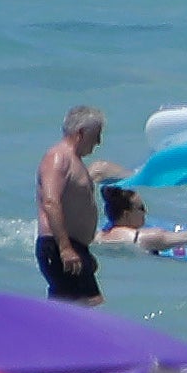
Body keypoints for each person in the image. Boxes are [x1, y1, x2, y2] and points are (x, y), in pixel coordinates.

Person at [30, 104, 119, 303]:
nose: (98, 142)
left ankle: (46, 334)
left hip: (72, 245)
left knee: (68, 306)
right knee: (87, 303)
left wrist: (83, 251)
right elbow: (51, 202)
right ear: (81, 132)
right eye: (96, 135)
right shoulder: (58, 157)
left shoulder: (74, 161)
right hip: (58, 244)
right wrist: (65, 248)